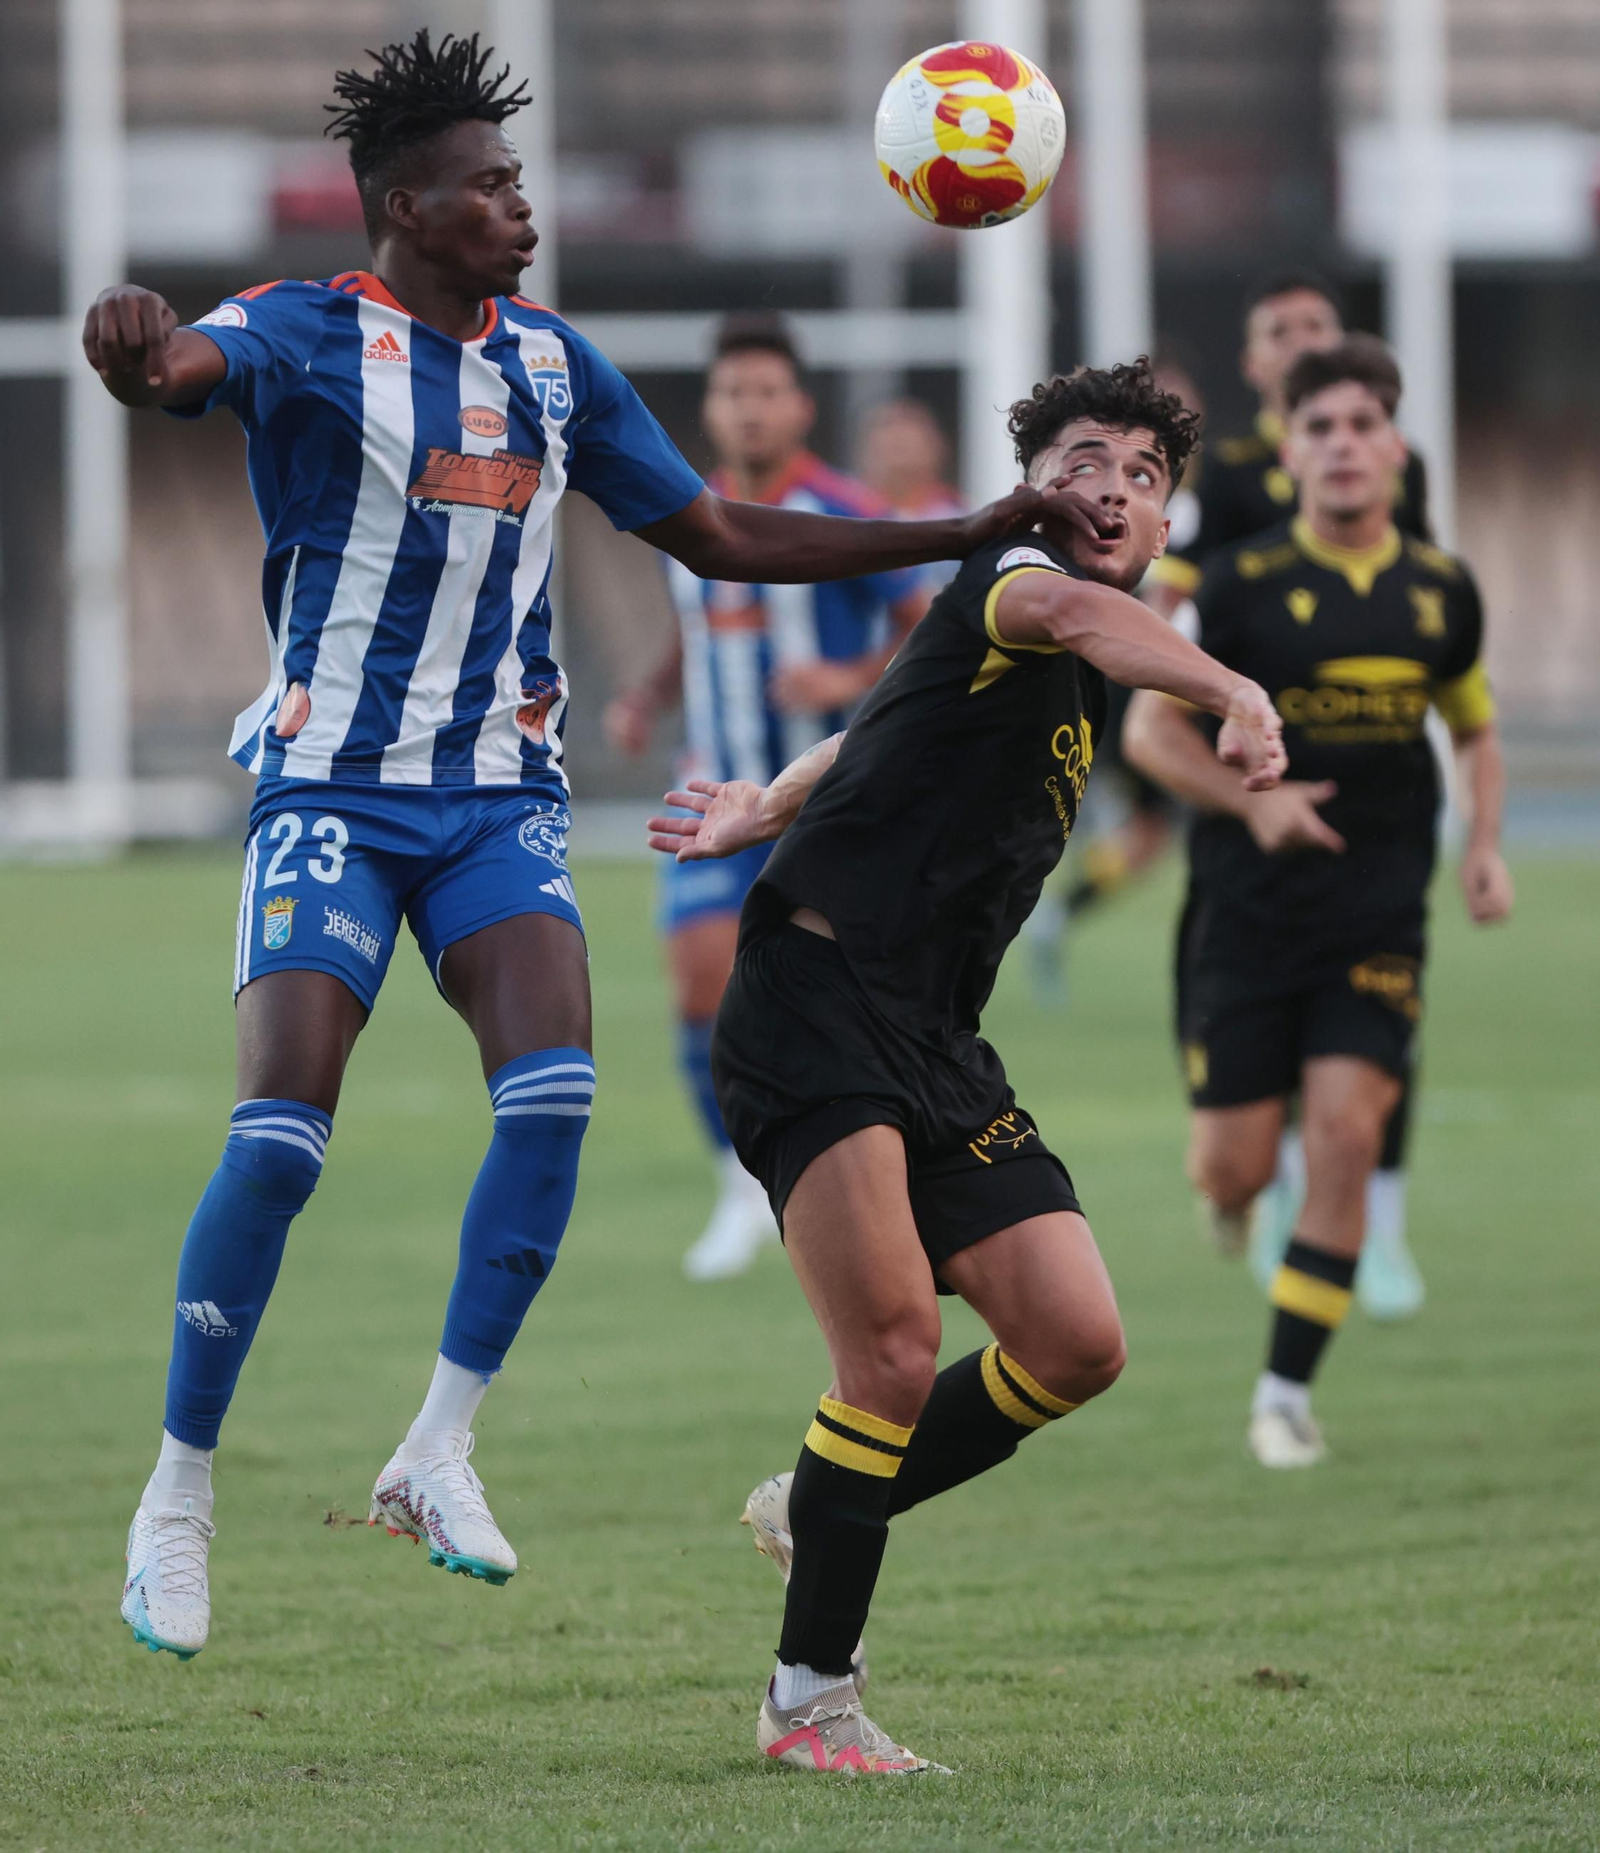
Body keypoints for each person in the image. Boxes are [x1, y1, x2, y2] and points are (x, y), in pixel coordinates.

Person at [85, 29, 1050, 1662]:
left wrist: (965, 530)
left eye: (520, 180)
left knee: (553, 1096)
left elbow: (723, 529)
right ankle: (176, 1495)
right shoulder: (312, 331)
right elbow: (179, 369)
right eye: (490, 185)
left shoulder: (552, 367)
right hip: (330, 787)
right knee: (276, 1141)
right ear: (406, 203)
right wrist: (129, 344)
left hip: (494, 799)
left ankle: (436, 1447)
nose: (521, 206)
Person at [648, 359, 1286, 1772]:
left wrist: (769, 800)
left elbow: (880, 714)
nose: (1110, 485)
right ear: (1027, 489)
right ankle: (808, 1702)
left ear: (1166, 518)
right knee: (887, 1353)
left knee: (1074, 1341)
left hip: (935, 1034)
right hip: (816, 1002)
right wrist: (1235, 683)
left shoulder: (1039, 646)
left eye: (1141, 472)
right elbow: (1062, 607)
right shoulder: (1017, 582)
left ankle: (810, 1506)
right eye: (1081, 458)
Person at [1124, 336, 1512, 1470]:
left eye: (1361, 426)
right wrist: (1256, 805)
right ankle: (1234, 1196)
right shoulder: (1237, 589)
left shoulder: (1442, 590)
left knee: (1345, 1135)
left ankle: (1283, 1391)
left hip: (1379, 916)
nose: (1341, 445)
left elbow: (1477, 729)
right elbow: (1149, 732)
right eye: (1319, 429)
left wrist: (1482, 844)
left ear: (1394, 448)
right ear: (1287, 454)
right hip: (1245, 918)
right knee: (1231, 1167)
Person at [604, 319, 926, 1281]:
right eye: (731, 391)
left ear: (800, 406)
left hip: (828, 804)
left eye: (765, 390)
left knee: (859, 1011)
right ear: (710, 406)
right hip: (712, 792)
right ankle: (738, 1187)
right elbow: (692, 619)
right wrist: (648, 695)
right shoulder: (685, 509)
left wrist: (849, 677)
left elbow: (925, 627)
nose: (747, 407)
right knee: (700, 987)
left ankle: (888, 1185)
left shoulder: (843, 508)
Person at [1149, 271, 1435, 1319]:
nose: (1305, 340)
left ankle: (1379, 1234)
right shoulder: (1222, 478)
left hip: (1376, 792)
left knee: (1373, 1035)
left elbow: (1421, 592)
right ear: (1255, 362)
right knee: (1232, 1040)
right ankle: (1242, 1181)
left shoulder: (1397, 470)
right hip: (1245, 772)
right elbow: (1171, 603)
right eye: (1282, 331)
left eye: (1319, 324)